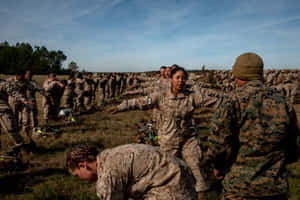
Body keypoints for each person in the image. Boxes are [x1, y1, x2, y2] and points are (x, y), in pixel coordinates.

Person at [110, 67, 222, 199]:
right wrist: (122, 106)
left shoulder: (192, 96)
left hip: (188, 138)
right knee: (168, 170)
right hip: (169, 140)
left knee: (195, 165)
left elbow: (213, 101)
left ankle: (201, 194)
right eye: (178, 78)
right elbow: (142, 101)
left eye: (183, 78)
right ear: (171, 79)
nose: (181, 81)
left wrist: (234, 104)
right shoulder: (160, 96)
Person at [206, 52, 300, 200]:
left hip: (239, 189)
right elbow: (293, 148)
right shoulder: (283, 102)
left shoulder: (232, 101)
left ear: (237, 74)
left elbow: (218, 145)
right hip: (275, 189)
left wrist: (217, 166)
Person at [67, 143, 197, 200]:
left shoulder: (107, 177)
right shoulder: (109, 156)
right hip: (182, 174)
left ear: (83, 165)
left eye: (78, 175)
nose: (81, 179)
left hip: (173, 186)